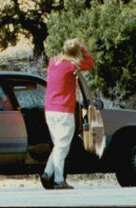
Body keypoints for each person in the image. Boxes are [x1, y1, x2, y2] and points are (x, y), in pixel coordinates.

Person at [41, 37, 95, 190]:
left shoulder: (53, 62)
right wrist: (83, 49)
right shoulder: (72, 65)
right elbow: (91, 63)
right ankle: (58, 180)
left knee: (58, 145)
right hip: (64, 110)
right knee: (62, 146)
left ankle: (47, 173)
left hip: (49, 110)